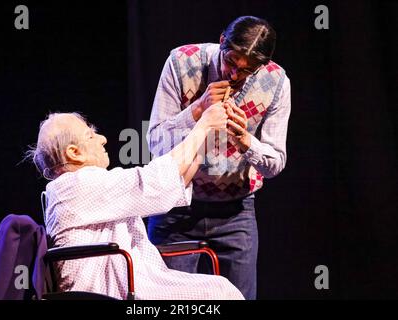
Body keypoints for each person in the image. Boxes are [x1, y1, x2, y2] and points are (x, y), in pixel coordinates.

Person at [146, 16, 291, 299]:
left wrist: (246, 141)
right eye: (230, 62)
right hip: (176, 207)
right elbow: (155, 142)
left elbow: (275, 163)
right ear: (222, 41)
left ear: (261, 67)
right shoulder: (182, 62)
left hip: (235, 213)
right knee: (168, 302)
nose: (234, 75)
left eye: (246, 70)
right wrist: (197, 110)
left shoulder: (276, 82)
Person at [27, 111, 244, 300]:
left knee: (220, 290)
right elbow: (153, 180)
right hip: (106, 293)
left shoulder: (83, 187)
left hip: (128, 286)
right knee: (221, 293)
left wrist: (204, 136)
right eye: (90, 135)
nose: (102, 139)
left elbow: (170, 184)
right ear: (74, 153)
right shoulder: (75, 185)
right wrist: (203, 124)